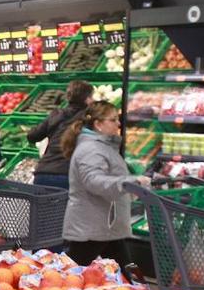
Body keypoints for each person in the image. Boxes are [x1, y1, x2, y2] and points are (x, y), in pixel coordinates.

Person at [61, 101, 150, 267]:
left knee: (123, 271)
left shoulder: (101, 147)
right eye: (113, 119)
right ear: (98, 124)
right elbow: (93, 181)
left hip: (105, 224)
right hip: (92, 226)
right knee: (74, 272)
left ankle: (130, 289)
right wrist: (128, 182)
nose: (118, 123)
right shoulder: (91, 149)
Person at [28, 79, 95, 190]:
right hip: (68, 175)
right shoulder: (88, 118)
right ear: (87, 100)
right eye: (92, 97)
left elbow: (32, 136)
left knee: (43, 207)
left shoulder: (56, 114)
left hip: (43, 173)